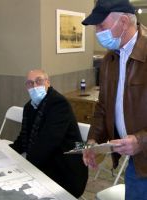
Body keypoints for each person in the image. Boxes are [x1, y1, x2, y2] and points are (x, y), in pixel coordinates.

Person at [82, 0, 147, 199]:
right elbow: (103, 107)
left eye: (101, 26)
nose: (97, 32)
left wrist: (141, 140)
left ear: (124, 22)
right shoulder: (110, 59)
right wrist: (93, 141)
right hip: (138, 164)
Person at [9, 69, 88, 198]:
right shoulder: (29, 107)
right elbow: (24, 138)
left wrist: (22, 165)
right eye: (30, 83)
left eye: (39, 81)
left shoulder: (59, 104)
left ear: (48, 82)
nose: (34, 86)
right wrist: (8, 153)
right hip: (44, 163)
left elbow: (47, 143)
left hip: (65, 170)